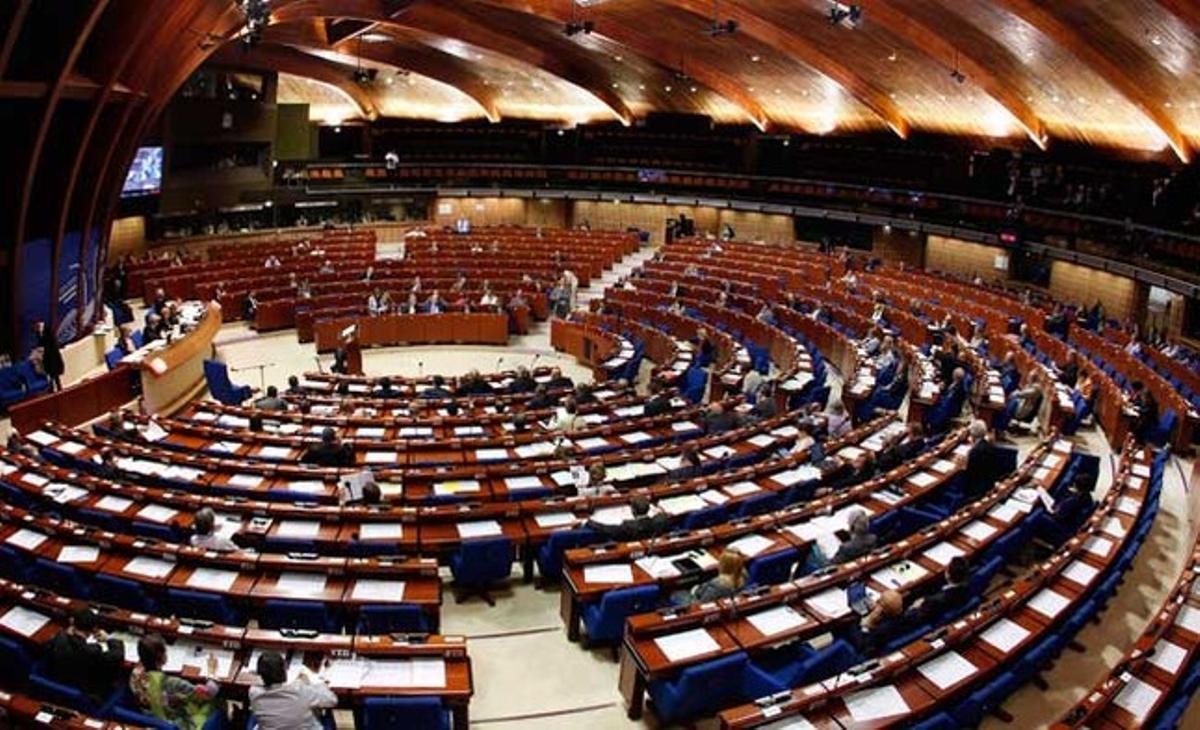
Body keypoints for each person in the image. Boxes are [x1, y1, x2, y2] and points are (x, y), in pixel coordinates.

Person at [130, 634, 222, 730]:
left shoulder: (135, 674)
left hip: (151, 720)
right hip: (175, 723)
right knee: (217, 704)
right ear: (162, 659)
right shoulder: (172, 684)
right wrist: (212, 673)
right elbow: (207, 694)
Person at [46, 608, 125, 701]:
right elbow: (118, 655)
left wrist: (67, 634)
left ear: (73, 622)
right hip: (86, 689)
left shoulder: (59, 637)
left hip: (60, 680)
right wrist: (109, 639)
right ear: (94, 629)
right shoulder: (92, 650)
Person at [249, 651, 338, 730]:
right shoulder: (301, 691)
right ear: (284, 671)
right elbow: (332, 700)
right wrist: (318, 683)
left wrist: (298, 683)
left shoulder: (254, 693)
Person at [908, 556, 971, 623]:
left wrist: (914, 607)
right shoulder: (966, 586)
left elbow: (914, 618)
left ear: (948, 575)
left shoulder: (935, 601)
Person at [585, 495, 670, 541]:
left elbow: (605, 529)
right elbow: (664, 515)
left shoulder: (627, 526)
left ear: (633, 510)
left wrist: (588, 522)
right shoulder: (659, 521)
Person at [849, 589, 906, 655]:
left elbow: (861, 645)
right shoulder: (898, 615)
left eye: (879, 601)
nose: (876, 602)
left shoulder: (882, 629)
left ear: (882, 608)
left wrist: (865, 626)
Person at [680, 550, 747, 604]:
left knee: (677, 594)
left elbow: (702, 603)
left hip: (698, 600)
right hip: (725, 599)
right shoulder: (743, 576)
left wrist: (694, 591)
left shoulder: (717, 585)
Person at [960, 419, 1001, 498]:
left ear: (972, 435)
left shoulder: (975, 452)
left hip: (976, 488)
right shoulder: (988, 445)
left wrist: (963, 464)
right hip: (989, 482)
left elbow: (968, 473)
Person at [32, 320, 64, 392]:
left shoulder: (48, 330)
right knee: (49, 373)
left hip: (52, 355)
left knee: (55, 373)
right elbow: (40, 343)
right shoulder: (38, 332)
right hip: (46, 357)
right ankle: (52, 387)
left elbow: (51, 342)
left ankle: (58, 387)